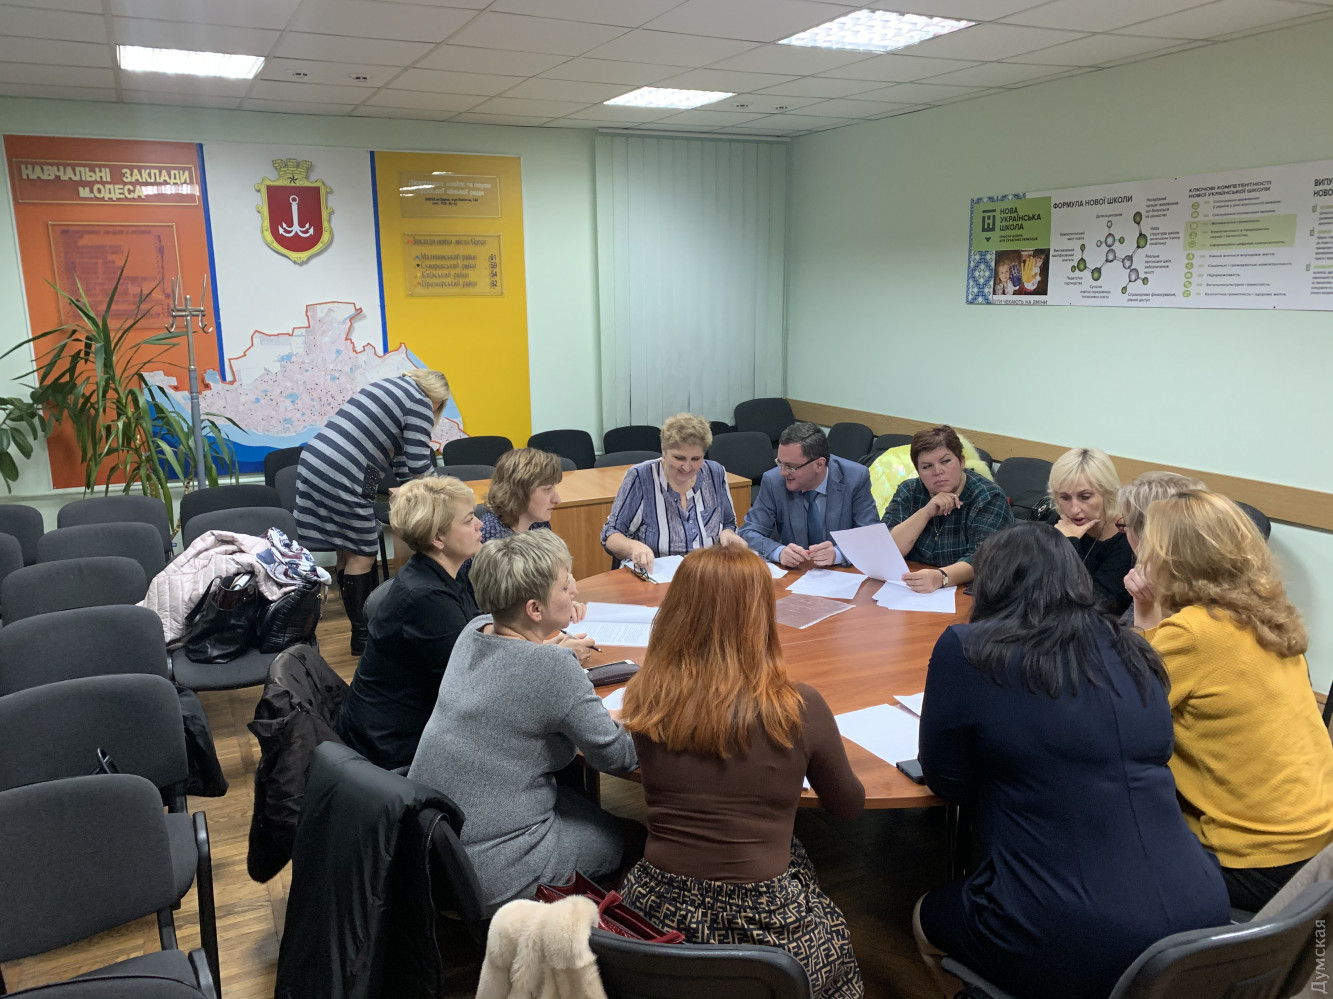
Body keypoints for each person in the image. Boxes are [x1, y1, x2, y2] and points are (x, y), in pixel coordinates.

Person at [914, 523, 1229, 999]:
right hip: (1200, 911)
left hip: (1071, 929)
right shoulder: (1138, 648)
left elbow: (948, 781)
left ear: (990, 584)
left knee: (924, 916)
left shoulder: (968, 648)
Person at [617, 545, 865, 999]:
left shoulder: (646, 695)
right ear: (760, 616)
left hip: (654, 910)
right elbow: (848, 808)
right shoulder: (798, 707)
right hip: (767, 927)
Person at [408, 531, 640, 916]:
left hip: (434, 855)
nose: (574, 590)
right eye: (565, 586)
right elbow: (618, 756)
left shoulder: (473, 631)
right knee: (634, 837)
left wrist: (552, 654)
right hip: (499, 870)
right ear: (534, 609)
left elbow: (519, 670)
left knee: (581, 805)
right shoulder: (553, 668)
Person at [1126, 490, 1333, 911]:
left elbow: (1120, 712)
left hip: (1255, 859)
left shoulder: (1193, 632)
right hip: (1317, 844)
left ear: (1173, 562)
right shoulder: (1267, 615)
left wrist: (1144, 611)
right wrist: (1147, 608)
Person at [294, 369, 450, 654]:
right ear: (438, 399)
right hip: (343, 470)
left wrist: (411, 485)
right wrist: (444, 490)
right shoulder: (420, 401)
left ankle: (361, 633)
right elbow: (419, 463)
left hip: (317, 460)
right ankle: (366, 637)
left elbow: (401, 460)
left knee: (347, 547)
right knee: (363, 551)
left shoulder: (390, 388)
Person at [334, 476, 481, 770]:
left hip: (403, 723)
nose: (479, 525)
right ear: (438, 538)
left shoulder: (443, 572)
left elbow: (476, 634)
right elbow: (471, 682)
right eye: (468, 520)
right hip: (391, 745)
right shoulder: (426, 597)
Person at [601, 413, 745, 573]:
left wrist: (727, 533)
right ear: (664, 450)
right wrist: (633, 547)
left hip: (705, 573)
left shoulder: (715, 473)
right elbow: (610, 534)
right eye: (679, 458)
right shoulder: (641, 477)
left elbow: (728, 522)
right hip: (654, 574)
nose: (687, 467)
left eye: (696, 459)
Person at [882, 425, 1013, 593]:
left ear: (962, 461)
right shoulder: (909, 491)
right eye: (927, 466)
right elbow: (886, 550)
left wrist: (940, 577)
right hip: (909, 587)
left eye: (946, 461)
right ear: (918, 471)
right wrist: (925, 512)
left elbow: (983, 559)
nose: (938, 471)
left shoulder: (988, 496)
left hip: (966, 591)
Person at [739, 421, 878, 569]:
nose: (783, 472)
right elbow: (748, 532)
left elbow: (871, 536)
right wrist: (778, 552)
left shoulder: (855, 478)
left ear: (819, 464)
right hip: (795, 573)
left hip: (844, 573)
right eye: (780, 463)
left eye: (791, 467)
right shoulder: (773, 481)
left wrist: (838, 554)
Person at [1047, 447, 1133, 615]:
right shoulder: (1057, 522)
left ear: (1107, 493)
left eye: (1085, 497)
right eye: (1064, 497)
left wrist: (1068, 545)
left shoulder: (1125, 537)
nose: (1074, 509)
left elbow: (1097, 604)